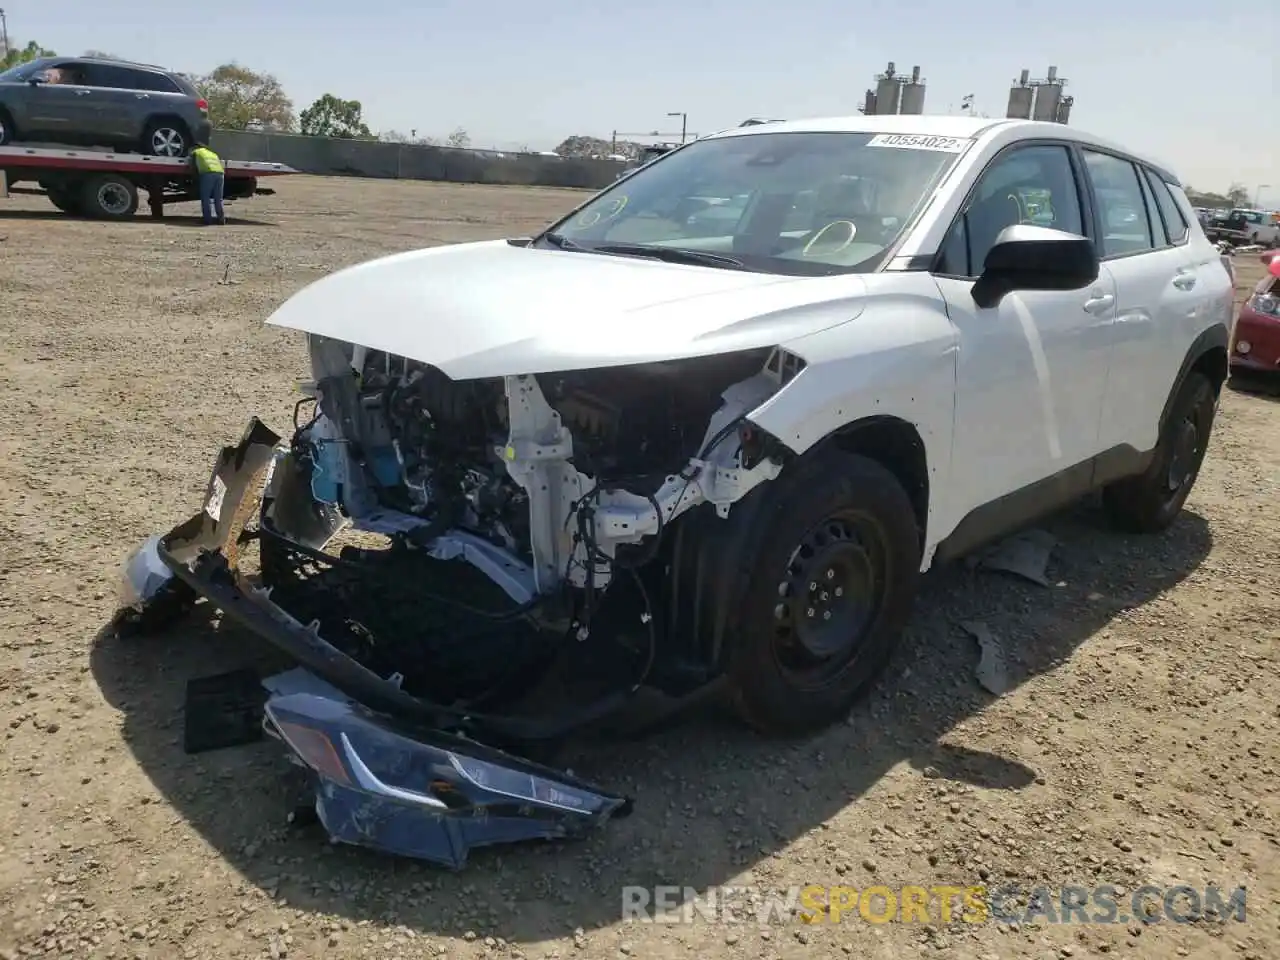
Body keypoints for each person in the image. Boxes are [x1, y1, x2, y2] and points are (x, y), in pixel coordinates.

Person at [190, 141, 226, 226]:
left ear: (196, 147)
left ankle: (207, 220)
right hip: (220, 174)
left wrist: (194, 178)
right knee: (218, 198)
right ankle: (221, 219)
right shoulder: (213, 153)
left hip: (208, 174)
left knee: (206, 198)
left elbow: (192, 166)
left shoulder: (196, 152)